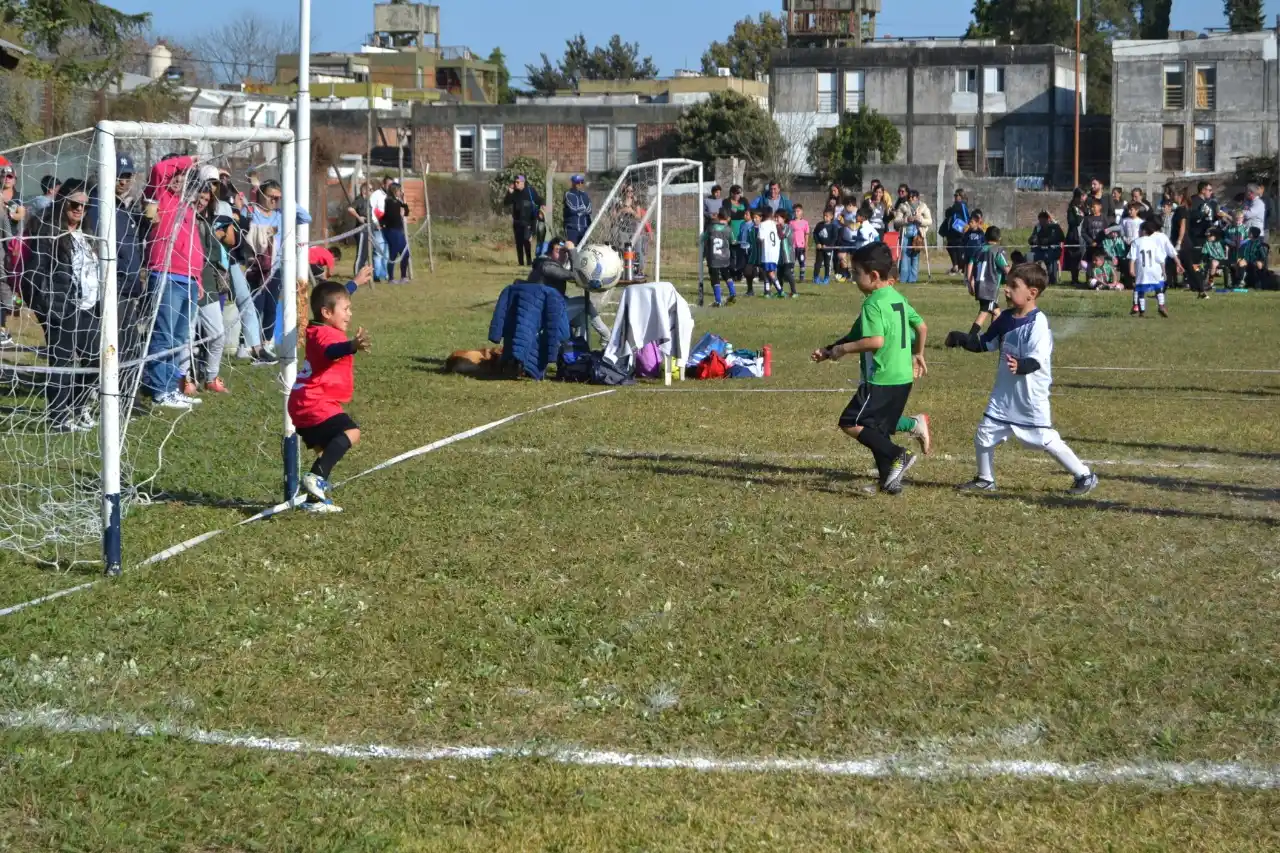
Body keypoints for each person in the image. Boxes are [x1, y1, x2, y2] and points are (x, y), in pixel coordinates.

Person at [945, 263, 1097, 495]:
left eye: (1013, 286)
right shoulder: (1005, 318)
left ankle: (1084, 475)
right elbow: (985, 343)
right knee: (984, 435)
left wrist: (1021, 366)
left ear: (1031, 293)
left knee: (1044, 439)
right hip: (1004, 395)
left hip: (1029, 397)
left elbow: (1037, 359)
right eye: (1006, 285)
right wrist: (961, 339)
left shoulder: (1038, 323)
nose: (1006, 290)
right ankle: (985, 479)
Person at [810, 242, 927, 495]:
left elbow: (875, 341)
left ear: (873, 276)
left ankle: (897, 454)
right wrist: (918, 354)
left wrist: (844, 349)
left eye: (856, 273)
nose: (853, 278)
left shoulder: (872, 303)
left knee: (850, 422)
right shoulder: (897, 297)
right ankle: (889, 481)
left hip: (882, 378)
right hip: (903, 377)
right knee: (877, 429)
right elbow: (921, 326)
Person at [290, 280, 372, 514]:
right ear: (327, 313)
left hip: (301, 402)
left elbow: (330, 297)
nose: (350, 313)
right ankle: (315, 479)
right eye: (345, 309)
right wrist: (352, 345)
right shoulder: (327, 335)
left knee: (325, 453)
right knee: (352, 432)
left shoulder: (317, 327)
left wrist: (354, 284)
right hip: (314, 401)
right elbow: (330, 352)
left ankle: (313, 501)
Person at [141, 156, 206, 410]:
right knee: (164, 334)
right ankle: (159, 390)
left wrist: (198, 277)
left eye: (185, 176)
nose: (180, 180)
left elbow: (194, 245)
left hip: (188, 278)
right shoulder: (160, 198)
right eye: (177, 174)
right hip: (166, 275)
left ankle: (170, 387)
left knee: (178, 339)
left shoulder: (186, 206)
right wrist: (190, 160)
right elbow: (159, 169)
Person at [34, 187, 100, 432]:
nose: (79, 209)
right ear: (63, 204)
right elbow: (35, 272)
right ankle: (58, 418)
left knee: (96, 359)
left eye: (85, 205)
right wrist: (45, 306)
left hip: (88, 307)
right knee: (61, 363)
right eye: (75, 204)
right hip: (62, 308)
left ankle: (78, 406)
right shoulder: (49, 234)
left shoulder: (88, 235)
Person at [85, 152, 150, 371]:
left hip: (128, 287)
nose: (123, 181)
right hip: (112, 286)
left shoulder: (125, 207)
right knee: (115, 347)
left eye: (127, 176)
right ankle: (97, 386)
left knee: (128, 345)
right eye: (118, 176)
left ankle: (125, 387)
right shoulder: (97, 205)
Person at [1128, 218, 1181, 318]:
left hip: (1142, 269)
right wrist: (1164, 271)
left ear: (1144, 231)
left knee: (1140, 290)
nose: (1138, 232)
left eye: (1139, 230)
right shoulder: (1153, 242)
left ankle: (1141, 311)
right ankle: (1161, 306)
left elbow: (1132, 257)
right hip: (1154, 269)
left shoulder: (1136, 242)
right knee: (1158, 288)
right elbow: (1160, 259)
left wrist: (1131, 269)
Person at [966, 225, 1009, 335]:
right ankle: (971, 336)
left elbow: (970, 264)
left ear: (985, 237)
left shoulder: (978, 249)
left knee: (996, 312)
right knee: (984, 311)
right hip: (989, 288)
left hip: (979, 285)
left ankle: (992, 336)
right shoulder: (997, 250)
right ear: (999, 238)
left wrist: (970, 281)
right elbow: (1006, 269)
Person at [0, 158, 25, 346]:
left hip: (15, 244)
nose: (7, 179)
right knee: (2, 283)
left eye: (10, 176)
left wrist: (8, 211)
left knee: (14, 282)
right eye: (4, 175)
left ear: (15, 179)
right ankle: (2, 327)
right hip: (1, 246)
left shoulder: (17, 197)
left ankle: (15, 305)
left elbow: (20, 214)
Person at [892, 188, 932, 284]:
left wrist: (921, 220)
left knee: (915, 256)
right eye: (909, 197)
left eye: (913, 197)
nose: (910, 199)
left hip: (918, 234)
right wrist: (906, 220)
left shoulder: (923, 207)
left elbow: (929, 221)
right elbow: (896, 221)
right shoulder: (903, 206)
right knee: (905, 255)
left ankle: (913, 279)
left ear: (917, 198)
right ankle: (904, 278)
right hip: (906, 234)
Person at [504, 174, 542, 267]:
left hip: (528, 221)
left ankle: (529, 261)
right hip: (517, 221)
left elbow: (539, 200)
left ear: (523, 182)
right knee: (519, 243)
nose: (516, 184)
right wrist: (509, 192)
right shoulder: (514, 192)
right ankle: (520, 262)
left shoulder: (530, 191)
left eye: (518, 182)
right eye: (515, 182)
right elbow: (506, 203)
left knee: (527, 241)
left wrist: (543, 206)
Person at [703, 209, 737, 307]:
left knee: (715, 278)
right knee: (726, 275)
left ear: (718, 217)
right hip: (724, 258)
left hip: (713, 258)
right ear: (727, 218)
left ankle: (718, 301)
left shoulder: (711, 228)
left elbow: (703, 238)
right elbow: (733, 241)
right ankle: (732, 292)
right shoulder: (728, 229)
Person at [381, 182, 411, 283]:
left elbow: (406, 212)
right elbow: (390, 216)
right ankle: (391, 278)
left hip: (399, 230)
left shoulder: (398, 202)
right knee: (393, 254)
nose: (400, 192)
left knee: (405, 253)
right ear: (394, 191)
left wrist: (403, 201)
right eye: (399, 190)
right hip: (392, 230)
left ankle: (403, 276)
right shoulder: (389, 201)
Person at [1030, 210, 1065, 284]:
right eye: (1040, 221)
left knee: (1049, 256)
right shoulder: (1037, 228)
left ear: (1047, 219)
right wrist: (1033, 239)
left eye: (1043, 221)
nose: (1041, 223)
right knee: (1029, 256)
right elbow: (1032, 239)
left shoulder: (1055, 227)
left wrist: (1049, 240)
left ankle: (1052, 279)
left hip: (1053, 250)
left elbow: (1062, 237)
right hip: (1040, 250)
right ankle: (1031, 278)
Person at [367, 177, 391, 282]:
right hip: (379, 228)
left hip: (389, 228)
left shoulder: (391, 196)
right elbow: (371, 210)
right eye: (388, 185)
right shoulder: (376, 195)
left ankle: (384, 274)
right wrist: (376, 223)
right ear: (383, 185)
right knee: (378, 252)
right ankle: (376, 275)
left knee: (387, 253)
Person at [942, 189, 970, 273]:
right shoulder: (955, 205)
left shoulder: (962, 205)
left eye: (956, 195)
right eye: (954, 195)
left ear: (961, 196)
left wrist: (966, 229)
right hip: (952, 231)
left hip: (960, 231)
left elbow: (966, 218)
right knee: (950, 247)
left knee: (959, 249)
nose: (955, 197)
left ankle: (961, 267)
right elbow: (949, 215)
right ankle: (955, 266)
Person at [757, 205, 781, 296]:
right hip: (775, 252)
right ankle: (767, 291)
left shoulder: (762, 225)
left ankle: (780, 290)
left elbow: (761, 238)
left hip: (767, 252)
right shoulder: (775, 224)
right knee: (766, 271)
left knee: (770, 273)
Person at [1064, 189, 1086, 285]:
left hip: (1084, 235)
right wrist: (1079, 217)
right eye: (1082, 196)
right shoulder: (1072, 208)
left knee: (1083, 257)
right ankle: (1074, 279)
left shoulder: (1085, 207)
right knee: (1074, 258)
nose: (1084, 198)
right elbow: (1072, 222)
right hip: (1075, 236)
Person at [564, 175, 592, 245]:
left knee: (583, 248)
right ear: (573, 183)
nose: (580, 184)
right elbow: (572, 209)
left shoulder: (585, 195)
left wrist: (580, 210)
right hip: (572, 228)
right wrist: (583, 210)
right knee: (572, 248)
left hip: (584, 228)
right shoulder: (568, 194)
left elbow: (589, 210)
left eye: (582, 182)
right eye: (577, 182)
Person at [775, 209, 797, 298]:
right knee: (779, 274)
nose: (776, 219)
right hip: (780, 257)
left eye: (778, 217)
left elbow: (782, 236)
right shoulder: (776, 228)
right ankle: (780, 292)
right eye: (775, 217)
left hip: (788, 257)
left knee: (787, 273)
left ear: (784, 218)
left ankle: (794, 292)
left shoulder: (788, 227)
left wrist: (777, 227)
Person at [813, 207, 837, 285]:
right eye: (824, 215)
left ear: (831, 217)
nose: (825, 217)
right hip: (820, 249)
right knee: (818, 263)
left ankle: (826, 278)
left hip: (828, 249)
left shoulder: (833, 227)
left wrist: (829, 246)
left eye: (827, 216)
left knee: (827, 264)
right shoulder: (819, 225)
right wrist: (817, 243)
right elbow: (815, 234)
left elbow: (834, 238)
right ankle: (816, 277)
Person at [741, 207, 761, 295]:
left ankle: (769, 291)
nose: (755, 219)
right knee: (747, 271)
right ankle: (750, 290)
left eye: (756, 217)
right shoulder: (751, 228)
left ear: (761, 218)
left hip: (761, 254)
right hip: (752, 253)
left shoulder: (763, 227)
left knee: (766, 273)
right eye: (754, 217)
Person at [790, 203, 810, 282]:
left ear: (801, 212)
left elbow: (806, 235)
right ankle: (791, 277)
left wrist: (806, 245)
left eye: (798, 211)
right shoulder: (791, 223)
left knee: (802, 262)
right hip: (793, 247)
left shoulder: (805, 223)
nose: (796, 213)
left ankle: (802, 277)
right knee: (792, 263)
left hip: (801, 247)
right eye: (795, 211)